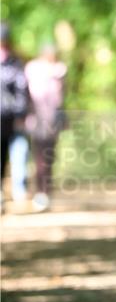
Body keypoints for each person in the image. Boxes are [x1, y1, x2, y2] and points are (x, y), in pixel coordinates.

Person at [25, 43, 67, 212]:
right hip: (36, 122)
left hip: (53, 122)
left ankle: (46, 192)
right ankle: (40, 193)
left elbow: (63, 97)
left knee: (49, 159)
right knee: (39, 159)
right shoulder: (32, 69)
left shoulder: (60, 70)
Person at [0, 21, 30, 213]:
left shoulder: (15, 63)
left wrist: (20, 112)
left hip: (11, 119)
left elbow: (22, 89)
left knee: (18, 153)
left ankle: (19, 192)